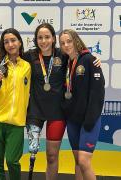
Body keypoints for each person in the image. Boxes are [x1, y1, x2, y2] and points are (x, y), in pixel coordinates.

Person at [0, 23, 101, 180]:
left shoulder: (62, 55)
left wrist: (93, 58)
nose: (44, 41)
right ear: (36, 40)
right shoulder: (29, 56)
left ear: (53, 38)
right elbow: (11, 52)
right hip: (35, 113)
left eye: (47, 37)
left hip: (57, 113)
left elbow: (80, 57)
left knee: (51, 156)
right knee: (33, 154)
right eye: (40, 38)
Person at [0, 28, 31, 180]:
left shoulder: (27, 67)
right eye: (6, 42)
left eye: (13, 40)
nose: (10, 44)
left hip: (16, 122)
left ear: (20, 42)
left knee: (12, 161)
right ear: (3, 45)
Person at [59, 29, 105, 180]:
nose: (66, 45)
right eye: (63, 43)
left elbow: (98, 93)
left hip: (88, 120)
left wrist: (90, 119)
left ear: (76, 41)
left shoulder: (89, 60)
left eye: (69, 41)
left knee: (84, 161)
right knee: (78, 161)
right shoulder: (67, 62)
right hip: (73, 120)